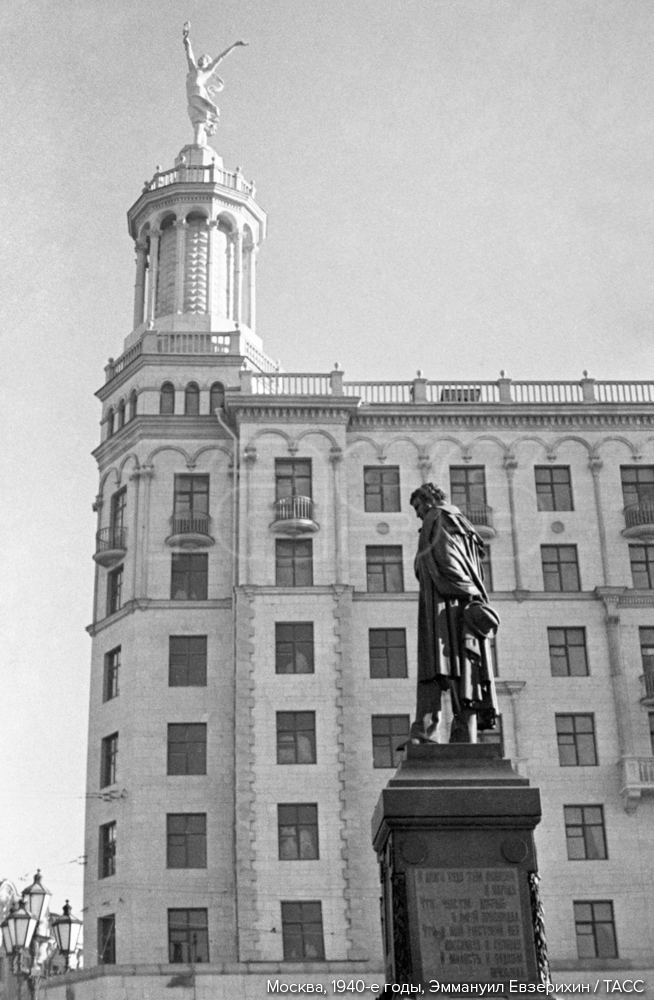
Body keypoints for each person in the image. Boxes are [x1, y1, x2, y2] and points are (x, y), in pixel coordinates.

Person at [409, 482, 499, 744]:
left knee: (437, 663)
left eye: (418, 506)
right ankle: (463, 734)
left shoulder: (436, 516)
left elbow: (444, 557)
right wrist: (473, 593)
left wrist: (459, 587)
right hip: (464, 602)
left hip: (443, 602)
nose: (418, 513)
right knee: (463, 667)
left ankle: (425, 731)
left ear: (429, 500)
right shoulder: (464, 524)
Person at [183, 22, 248, 145]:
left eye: (204, 58)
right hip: (191, 96)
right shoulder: (193, 70)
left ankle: (199, 144)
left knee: (201, 120)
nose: (200, 59)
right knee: (199, 120)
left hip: (199, 95)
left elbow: (220, 58)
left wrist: (234, 45)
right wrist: (187, 42)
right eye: (200, 58)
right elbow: (189, 56)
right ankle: (201, 143)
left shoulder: (206, 71)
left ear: (208, 62)